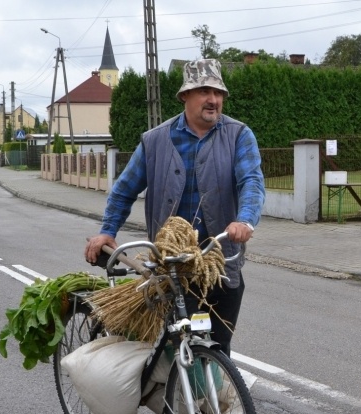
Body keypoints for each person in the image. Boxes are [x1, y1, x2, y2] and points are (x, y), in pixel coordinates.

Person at [85, 58, 265, 357]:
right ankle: (179, 398)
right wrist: (107, 231)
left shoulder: (238, 135)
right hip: (171, 267)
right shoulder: (155, 141)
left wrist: (245, 221)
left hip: (221, 263)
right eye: (204, 91)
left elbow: (252, 182)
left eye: (218, 92)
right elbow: (123, 190)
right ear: (185, 96)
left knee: (219, 349)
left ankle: (208, 400)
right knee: (180, 348)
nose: (213, 99)